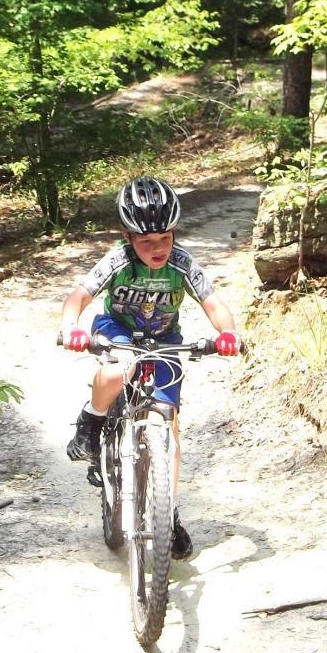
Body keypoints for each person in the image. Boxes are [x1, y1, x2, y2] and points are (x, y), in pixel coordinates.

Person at [60, 175, 241, 559]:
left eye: (165, 239)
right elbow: (79, 296)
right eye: (146, 242)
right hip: (118, 330)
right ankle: (91, 422)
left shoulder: (182, 262)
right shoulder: (117, 260)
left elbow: (213, 303)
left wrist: (227, 334)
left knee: (168, 424)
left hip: (164, 338)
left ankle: (165, 513)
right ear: (128, 237)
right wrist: (70, 327)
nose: (157, 249)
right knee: (118, 369)